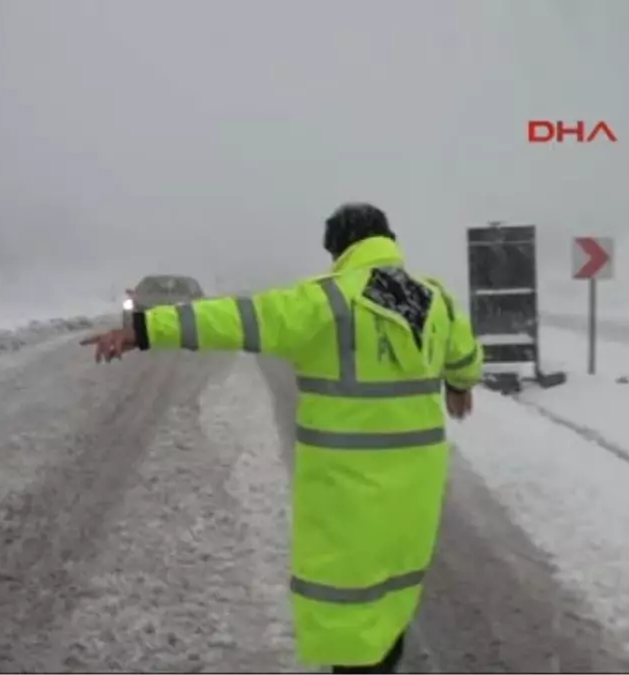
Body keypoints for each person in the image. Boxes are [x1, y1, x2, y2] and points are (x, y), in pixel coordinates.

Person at [81, 202, 484, 673]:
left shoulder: (328, 299)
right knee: (394, 581)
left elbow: (237, 318)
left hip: (346, 485)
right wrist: (459, 383)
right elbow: (465, 357)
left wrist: (146, 329)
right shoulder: (435, 299)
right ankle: (384, 656)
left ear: (337, 248)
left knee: (347, 597)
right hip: (417, 480)